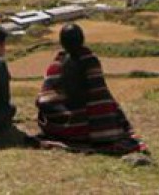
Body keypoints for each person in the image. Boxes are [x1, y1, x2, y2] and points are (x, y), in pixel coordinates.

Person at [36, 23, 147, 155]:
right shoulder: (90, 61)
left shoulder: (54, 66)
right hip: (93, 132)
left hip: (59, 128)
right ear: (82, 40)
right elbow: (101, 94)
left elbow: (45, 100)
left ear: (61, 42)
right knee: (112, 105)